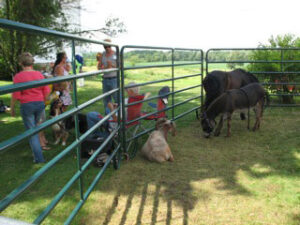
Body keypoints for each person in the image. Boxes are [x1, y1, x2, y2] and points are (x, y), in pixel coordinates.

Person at [10, 52, 51, 163]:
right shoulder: (39, 74)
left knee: (32, 132)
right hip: (39, 104)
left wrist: (12, 108)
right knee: (36, 129)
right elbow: (47, 91)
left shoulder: (18, 77)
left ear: (20, 63)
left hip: (27, 105)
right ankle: (39, 154)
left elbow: (16, 95)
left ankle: (39, 158)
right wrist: (43, 101)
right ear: (32, 62)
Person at [98, 39, 118, 113]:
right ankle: (108, 118)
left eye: (108, 46)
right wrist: (104, 68)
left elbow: (120, 66)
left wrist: (111, 65)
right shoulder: (102, 54)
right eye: (105, 46)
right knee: (106, 100)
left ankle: (118, 117)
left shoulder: (116, 54)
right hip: (105, 79)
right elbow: (99, 67)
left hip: (114, 79)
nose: (107, 48)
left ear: (111, 45)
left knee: (116, 99)